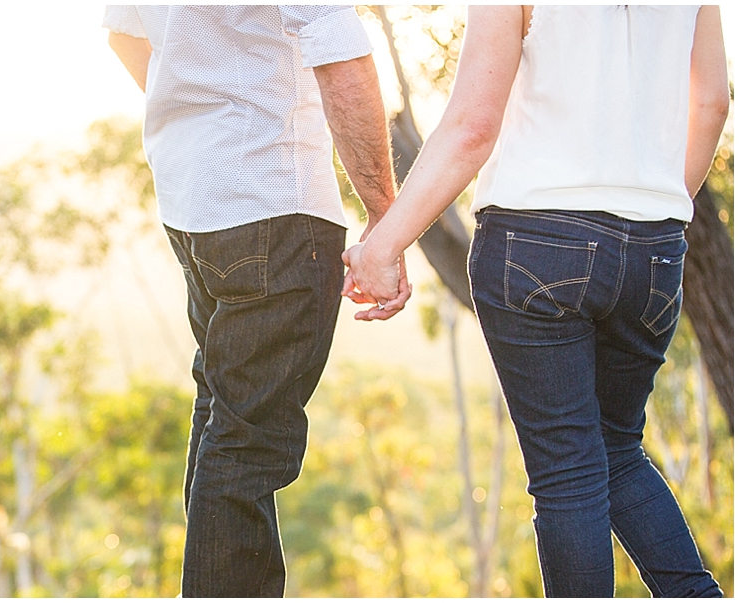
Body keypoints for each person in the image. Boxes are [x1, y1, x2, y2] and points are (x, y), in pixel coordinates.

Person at [343, 5, 728, 597]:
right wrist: (660, 212)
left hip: (538, 238)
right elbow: (712, 102)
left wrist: (386, 242)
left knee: (568, 474)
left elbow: (474, 125)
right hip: (653, 248)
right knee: (618, 450)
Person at [103, 5, 409, 597]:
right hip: (272, 200)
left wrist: (208, 119)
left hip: (196, 204)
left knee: (224, 416)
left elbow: (124, 36)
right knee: (245, 445)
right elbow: (340, 47)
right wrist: (385, 217)